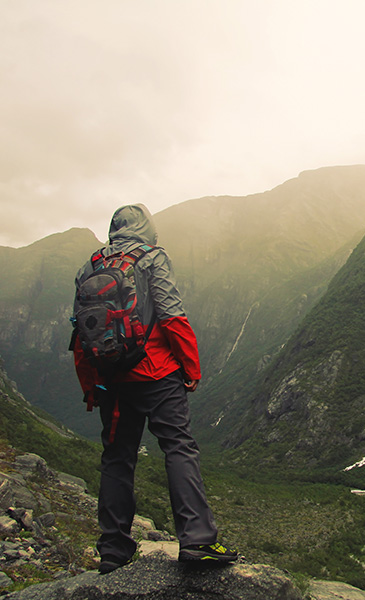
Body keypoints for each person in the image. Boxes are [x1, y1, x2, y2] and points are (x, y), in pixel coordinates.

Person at [71, 204, 237, 574]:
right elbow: (172, 315)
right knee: (178, 447)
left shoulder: (91, 265)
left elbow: (81, 333)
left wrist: (90, 385)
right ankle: (197, 540)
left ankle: (113, 550)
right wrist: (191, 369)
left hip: (112, 378)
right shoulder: (152, 258)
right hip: (159, 374)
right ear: (148, 228)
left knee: (117, 458)